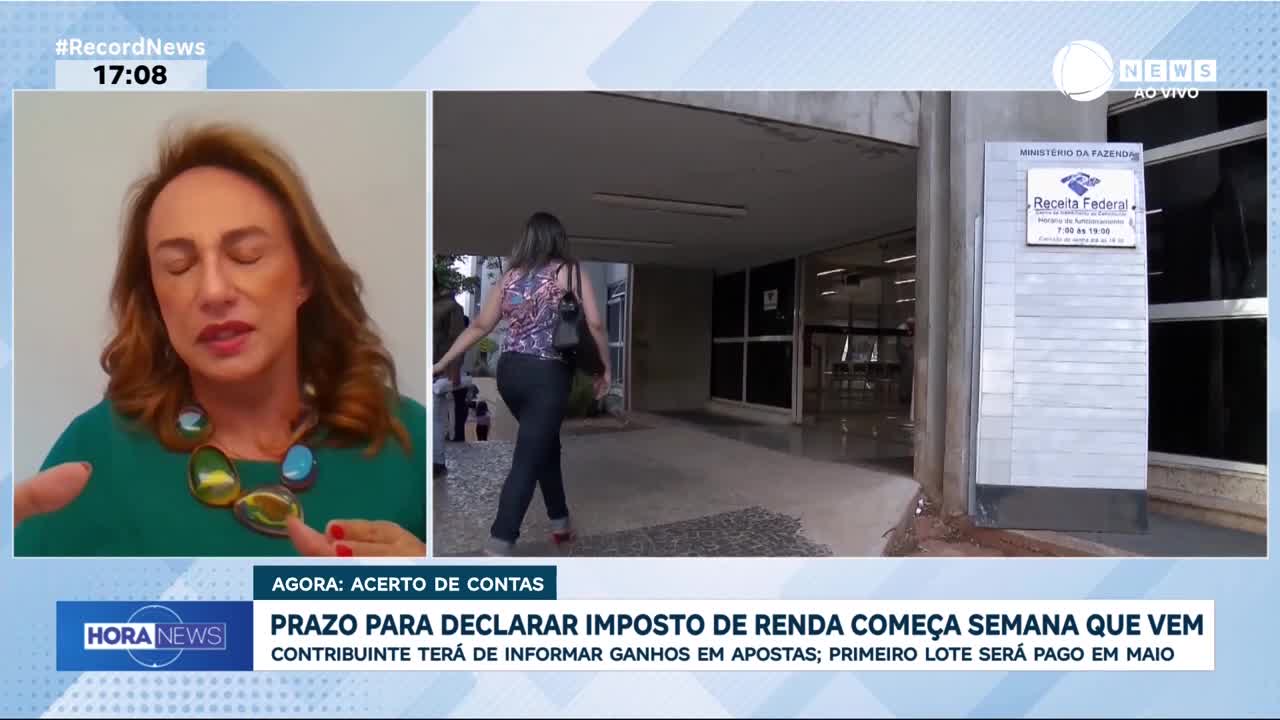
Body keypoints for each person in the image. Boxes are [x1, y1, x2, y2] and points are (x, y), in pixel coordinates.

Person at [13, 124, 427, 557]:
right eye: (178, 266)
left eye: (246, 255)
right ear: (155, 297)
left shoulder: (407, 442)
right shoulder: (94, 454)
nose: (213, 291)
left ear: (304, 276)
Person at [433, 211, 610, 556]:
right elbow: (596, 324)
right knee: (529, 456)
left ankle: (560, 523)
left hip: (509, 373)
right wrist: (606, 368)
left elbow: (479, 326)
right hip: (547, 374)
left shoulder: (510, 277)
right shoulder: (568, 271)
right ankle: (499, 545)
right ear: (558, 238)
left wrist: (441, 361)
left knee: (543, 444)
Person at [432, 276, 466, 472]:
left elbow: (457, 340)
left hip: (439, 372)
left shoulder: (451, 308)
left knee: (435, 418)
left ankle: (437, 462)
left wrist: (454, 373)